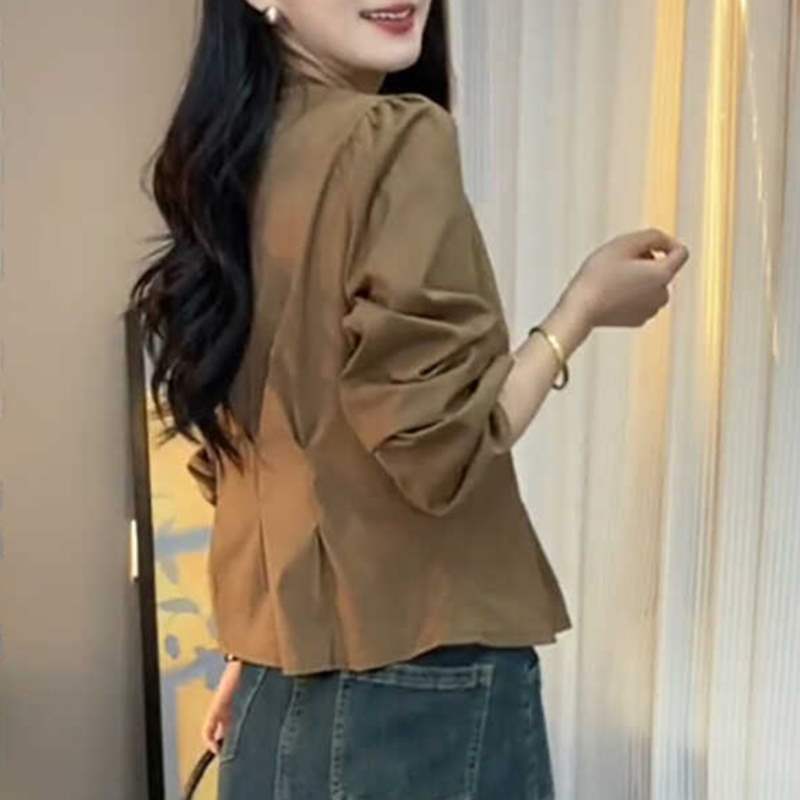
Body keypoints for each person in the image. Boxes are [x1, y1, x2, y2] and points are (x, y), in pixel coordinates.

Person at [129, 1, 689, 797]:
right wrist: (581, 311)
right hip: (422, 691)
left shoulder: (228, 167)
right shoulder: (392, 139)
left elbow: (249, 452)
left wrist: (259, 647)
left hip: (267, 689)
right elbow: (441, 447)